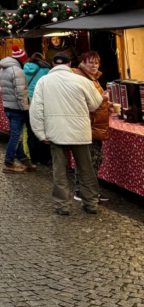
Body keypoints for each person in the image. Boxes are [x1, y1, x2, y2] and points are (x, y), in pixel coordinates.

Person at [29, 52, 103, 215]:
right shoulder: (82, 81)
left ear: (53, 65)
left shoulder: (43, 82)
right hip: (80, 132)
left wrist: (41, 134)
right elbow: (96, 103)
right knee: (86, 169)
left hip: (56, 133)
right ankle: (91, 203)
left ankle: (62, 205)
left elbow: (35, 110)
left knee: (60, 171)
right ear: (70, 64)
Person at [72, 51, 110, 203]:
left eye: (96, 62)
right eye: (91, 62)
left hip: (94, 125)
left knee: (90, 160)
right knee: (91, 160)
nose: (94, 65)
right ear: (83, 62)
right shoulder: (82, 78)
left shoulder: (92, 78)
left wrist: (108, 104)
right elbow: (86, 102)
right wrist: (104, 100)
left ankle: (83, 191)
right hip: (88, 125)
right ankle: (87, 193)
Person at [0, 47, 34, 174]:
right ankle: (8, 162)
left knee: (16, 135)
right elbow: (21, 93)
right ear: (22, 59)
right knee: (15, 136)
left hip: (8, 106)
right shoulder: (17, 71)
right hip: (17, 108)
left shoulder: (4, 68)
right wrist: (25, 109)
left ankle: (23, 159)